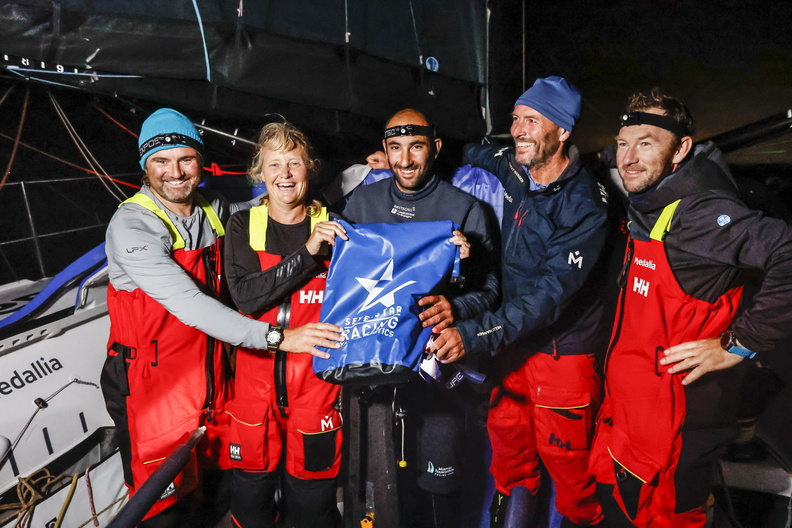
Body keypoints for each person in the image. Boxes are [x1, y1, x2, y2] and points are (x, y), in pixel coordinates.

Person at [101, 108, 344, 526]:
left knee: (216, 495)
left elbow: (269, 200)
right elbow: (192, 304)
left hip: (211, 382)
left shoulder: (212, 208)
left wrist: (337, 182)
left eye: (185, 159)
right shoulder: (132, 226)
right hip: (151, 389)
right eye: (161, 161)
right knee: (164, 507)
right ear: (145, 167)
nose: (175, 172)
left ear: (200, 161)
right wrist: (278, 337)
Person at [590, 89, 792, 527]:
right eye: (624, 143)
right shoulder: (652, 197)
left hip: (677, 424)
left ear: (681, 149)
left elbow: (787, 252)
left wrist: (741, 344)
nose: (629, 157)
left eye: (647, 142)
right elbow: (610, 156)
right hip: (633, 413)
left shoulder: (701, 212)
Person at [429, 76, 610, 527]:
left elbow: (547, 298)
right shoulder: (512, 163)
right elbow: (465, 150)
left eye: (532, 120)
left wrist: (471, 334)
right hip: (510, 347)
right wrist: (402, 157)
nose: (518, 129)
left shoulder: (585, 204)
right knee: (508, 454)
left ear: (563, 131)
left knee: (571, 475)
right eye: (515, 118)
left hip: (559, 352)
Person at [341, 108, 500, 528]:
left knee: (439, 485)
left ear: (436, 148)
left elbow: (492, 291)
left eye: (416, 146)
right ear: (385, 150)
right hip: (374, 370)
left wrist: (457, 302)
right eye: (395, 148)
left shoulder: (467, 208)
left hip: (438, 376)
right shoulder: (361, 203)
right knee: (379, 487)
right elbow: (341, 283)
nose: (405, 159)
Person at [222, 121, 349, 528]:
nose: (285, 174)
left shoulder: (336, 224)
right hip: (253, 391)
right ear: (260, 172)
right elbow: (246, 296)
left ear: (310, 169)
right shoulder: (243, 225)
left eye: (295, 163)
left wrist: (450, 256)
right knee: (249, 507)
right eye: (275, 164)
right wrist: (309, 252)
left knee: (314, 506)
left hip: (317, 390)